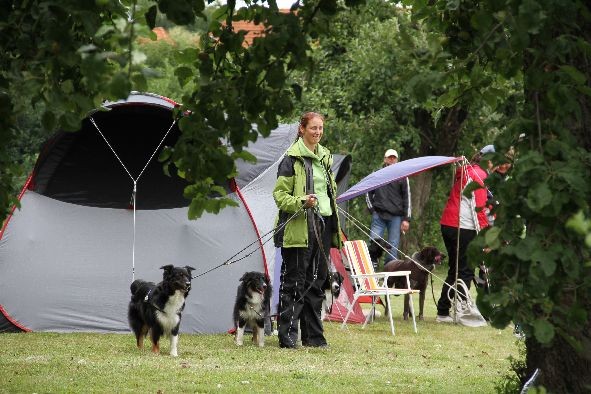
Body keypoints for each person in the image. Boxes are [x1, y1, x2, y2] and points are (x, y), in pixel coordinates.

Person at [273, 112, 343, 348]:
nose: (318, 132)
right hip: (299, 227)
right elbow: (280, 196)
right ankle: (288, 336)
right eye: (313, 128)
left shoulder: (325, 157)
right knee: (295, 281)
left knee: (318, 280)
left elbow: (329, 193)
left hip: (324, 224)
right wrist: (302, 201)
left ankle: (313, 337)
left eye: (320, 128)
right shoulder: (290, 159)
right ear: (302, 129)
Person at [436, 147, 490, 323]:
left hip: (448, 223)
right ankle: (461, 311)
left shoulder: (465, 170)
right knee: (466, 270)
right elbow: (480, 209)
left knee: (455, 268)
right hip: (463, 226)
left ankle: (443, 311)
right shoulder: (479, 174)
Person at [365, 149, 411, 266]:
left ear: (397, 160)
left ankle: (389, 275)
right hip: (378, 215)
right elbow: (367, 191)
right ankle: (371, 273)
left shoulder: (403, 176)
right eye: (389, 157)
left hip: (396, 217)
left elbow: (407, 198)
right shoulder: (377, 173)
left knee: (393, 247)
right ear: (385, 159)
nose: (391, 159)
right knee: (373, 244)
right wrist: (372, 209)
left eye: (394, 158)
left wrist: (406, 219)